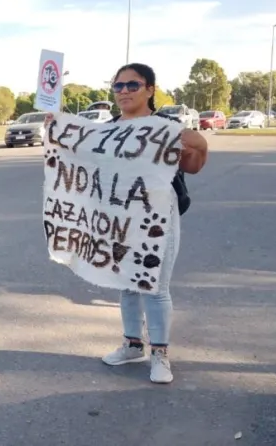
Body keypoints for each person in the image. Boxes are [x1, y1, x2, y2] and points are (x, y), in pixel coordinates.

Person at [100, 63, 208, 384]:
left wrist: (196, 145)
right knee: (128, 285)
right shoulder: (107, 129)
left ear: (150, 89)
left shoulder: (166, 126)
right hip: (120, 216)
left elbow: (195, 160)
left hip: (158, 213)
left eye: (132, 85)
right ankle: (133, 345)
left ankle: (160, 353)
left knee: (155, 287)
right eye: (118, 86)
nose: (124, 92)